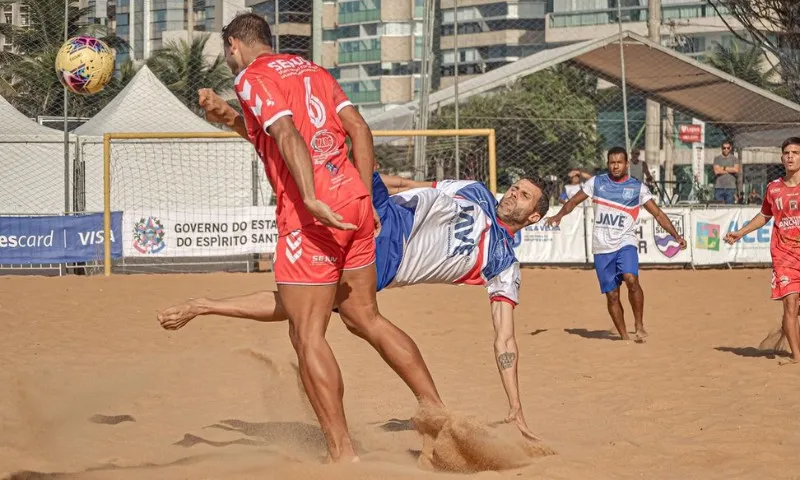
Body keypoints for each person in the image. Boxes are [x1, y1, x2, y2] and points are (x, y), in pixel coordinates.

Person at [207, 13, 444, 461]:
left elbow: (287, 133)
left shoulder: (251, 77)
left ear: (235, 45)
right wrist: (368, 198)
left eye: (226, 52)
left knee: (306, 333)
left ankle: (342, 453)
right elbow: (358, 129)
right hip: (354, 201)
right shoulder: (310, 69)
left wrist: (312, 198)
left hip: (311, 214)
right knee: (364, 318)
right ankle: (438, 413)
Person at [158, 171, 551, 441]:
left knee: (305, 305)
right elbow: (415, 185)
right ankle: (256, 126)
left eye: (524, 195)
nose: (513, 193)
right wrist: (369, 178)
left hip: (383, 256)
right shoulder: (476, 191)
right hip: (382, 208)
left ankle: (203, 305)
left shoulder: (503, 264)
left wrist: (515, 405)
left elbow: (505, 340)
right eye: (515, 187)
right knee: (342, 140)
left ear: (533, 216)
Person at [545, 147, 687, 341]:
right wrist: (559, 215)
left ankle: (639, 324)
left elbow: (658, 214)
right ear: (608, 164)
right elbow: (573, 202)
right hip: (601, 247)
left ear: (627, 164)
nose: (615, 166)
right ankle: (624, 338)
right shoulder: (596, 183)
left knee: (631, 278)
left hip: (625, 242)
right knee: (612, 295)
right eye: (612, 162)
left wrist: (676, 236)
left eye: (619, 162)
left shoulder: (637, 188)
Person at [724, 137, 800, 363]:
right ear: (781, 158)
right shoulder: (773, 188)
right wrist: (740, 232)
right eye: (787, 153)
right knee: (790, 302)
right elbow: (764, 216)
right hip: (784, 254)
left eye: (795, 153)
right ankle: (796, 357)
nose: (790, 156)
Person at [713, 140, 740, 204]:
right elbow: (716, 171)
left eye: (728, 148)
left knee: (730, 209)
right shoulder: (717, 159)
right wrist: (730, 170)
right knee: (718, 209)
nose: (726, 149)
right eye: (724, 148)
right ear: (721, 148)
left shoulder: (734, 159)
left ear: (730, 148)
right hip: (719, 187)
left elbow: (736, 170)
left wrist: (723, 168)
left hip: (730, 188)